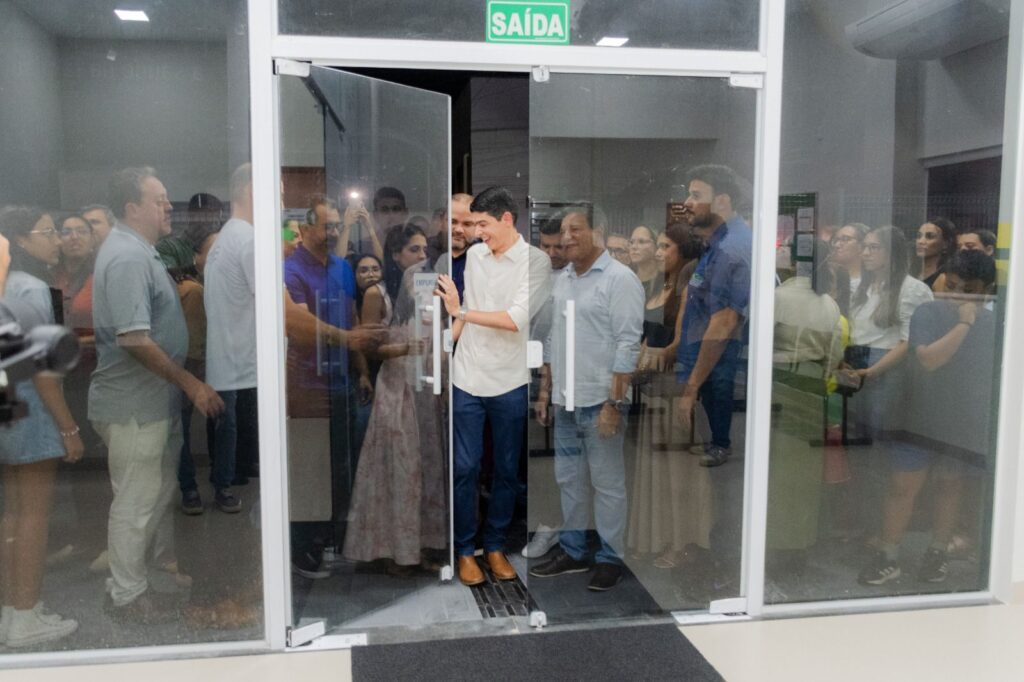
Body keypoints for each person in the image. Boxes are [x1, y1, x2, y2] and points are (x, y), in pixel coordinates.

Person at [90, 167, 224, 623]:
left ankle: (138, 584)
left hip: (150, 404)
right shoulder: (127, 257)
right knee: (134, 503)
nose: (169, 206)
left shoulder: (138, 251)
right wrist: (191, 383)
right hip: (133, 407)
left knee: (150, 498)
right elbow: (134, 339)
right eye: (159, 199)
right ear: (132, 208)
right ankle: (127, 597)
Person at [433, 186, 549, 586]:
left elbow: (515, 318)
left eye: (482, 224)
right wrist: (446, 347)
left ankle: (495, 545)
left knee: (505, 469)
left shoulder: (536, 261)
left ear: (507, 219)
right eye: (473, 224)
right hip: (466, 376)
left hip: (509, 380)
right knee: (465, 468)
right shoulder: (476, 256)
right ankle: (466, 550)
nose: (476, 233)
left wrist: (460, 311)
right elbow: (466, 310)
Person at [858, 250, 995, 586]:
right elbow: (930, 360)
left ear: (987, 290)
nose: (957, 295)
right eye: (953, 285)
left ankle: (937, 552)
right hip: (917, 415)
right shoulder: (929, 312)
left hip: (961, 419)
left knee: (950, 485)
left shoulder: (994, 322)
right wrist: (965, 322)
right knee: (902, 487)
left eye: (969, 290)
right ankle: (888, 555)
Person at [531, 206, 644, 591]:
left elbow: (628, 346)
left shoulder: (620, 280)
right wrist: (546, 391)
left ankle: (611, 558)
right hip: (566, 402)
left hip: (601, 402)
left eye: (575, 229)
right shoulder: (564, 279)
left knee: (607, 484)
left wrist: (614, 404)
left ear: (599, 230)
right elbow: (553, 339)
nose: (566, 238)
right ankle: (574, 551)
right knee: (569, 480)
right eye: (563, 231)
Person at [342, 219, 448, 575]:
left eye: (424, 249)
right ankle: (393, 551)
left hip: (426, 389)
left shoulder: (430, 288)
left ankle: (424, 546)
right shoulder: (379, 293)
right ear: (396, 255)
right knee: (398, 470)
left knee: (427, 469)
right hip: (396, 388)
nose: (421, 256)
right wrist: (403, 349)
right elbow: (367, 346)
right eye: (413, 250)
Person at [0, 208, 83, 647]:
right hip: (32, 410)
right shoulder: (32, 288)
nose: (57, 240)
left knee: (12, 514)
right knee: (33, 515)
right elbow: (43, 369)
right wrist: (68, 427)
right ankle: (27, 615)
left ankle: (10, 611)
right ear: (20, 241)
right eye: (47, 232)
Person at [673, 164, 752, 589]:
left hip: (719, 383)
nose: (687, 202)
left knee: (727, 478)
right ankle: (719, 559)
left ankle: (729, 571)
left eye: (696, 194)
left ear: (722, 201)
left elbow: (722, 325)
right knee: (718, 478)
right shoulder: (715, 244)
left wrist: (690, 389)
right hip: (710, 380)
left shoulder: (732, 249)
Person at [284, 195, 368, 577]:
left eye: (336, 225)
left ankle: (332, 539)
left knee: (341, 467)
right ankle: (304, 548)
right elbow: (300, 331)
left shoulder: (342, 267)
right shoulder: (290, 271)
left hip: (342, 383)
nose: (333, 231)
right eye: (326, 226)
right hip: (307, 386)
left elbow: (352, 319)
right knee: (309, 469)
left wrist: (361, 370)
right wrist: (347, 341)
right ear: (304, 229)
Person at [841, 225, 933, 546]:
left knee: (885, 454)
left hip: (887, 370)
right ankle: (868, 526)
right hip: (858, 367)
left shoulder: (912, 289)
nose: (865, 253)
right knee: (864, 455)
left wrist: (871, 371)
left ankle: (886, 533)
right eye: (864, 246)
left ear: (892, 253)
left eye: (874, 247)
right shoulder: (863, 287)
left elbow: (909, 342)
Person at [627, 221, 710, 568]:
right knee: (657, 470)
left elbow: (680, 344)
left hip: (674, 384)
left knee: (678, 473)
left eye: (665, 247)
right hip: (653, 387)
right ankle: (656, 537)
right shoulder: (660, 286)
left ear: (683, 251)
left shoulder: (687, 289)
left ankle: (682, 542)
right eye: (658, 246)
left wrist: (641, 361)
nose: (659, 253)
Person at [203, 164, 261, 517]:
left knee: (233, 420)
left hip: (230, 349)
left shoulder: (227, 237)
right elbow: (270, 301)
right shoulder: (248, 239)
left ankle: (232, 476)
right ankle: (223, 484)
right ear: (252, 189)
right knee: (228, 423)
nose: (281, 200)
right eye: (276, 191)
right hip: (237, 349)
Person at [173, 220, 226, 515]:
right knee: (184, 428)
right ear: (197, 256)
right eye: (213, 251)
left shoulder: (208, 284)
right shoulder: (193, 290)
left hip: (202, 367)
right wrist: (195, 382)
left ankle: (206, 486)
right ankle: (191, 488)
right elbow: (194, 343)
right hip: (194, 369)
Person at [433, 193, 476, 301]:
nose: (458, 229)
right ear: (442, 222)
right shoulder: (434, 259)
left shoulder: (485, 260)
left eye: (467, 224)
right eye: (453, 222)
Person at [912, 218, 956, 290]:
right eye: (919, 236)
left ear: (945, 244)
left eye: (930, 236)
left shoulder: (948, 275)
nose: (920, 241)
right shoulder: (910, 270)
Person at [829, 223, 870, 294]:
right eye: (835, 240)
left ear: (862, 245)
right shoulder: (827, 279)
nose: (836, 245)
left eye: (845, 239)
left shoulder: (872, 285)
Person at [629, 225, 661, 299]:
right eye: (631, 242)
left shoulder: (663, 279)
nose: (634, 247)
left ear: (655, 246)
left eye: (641, 242)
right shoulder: (627, 277)